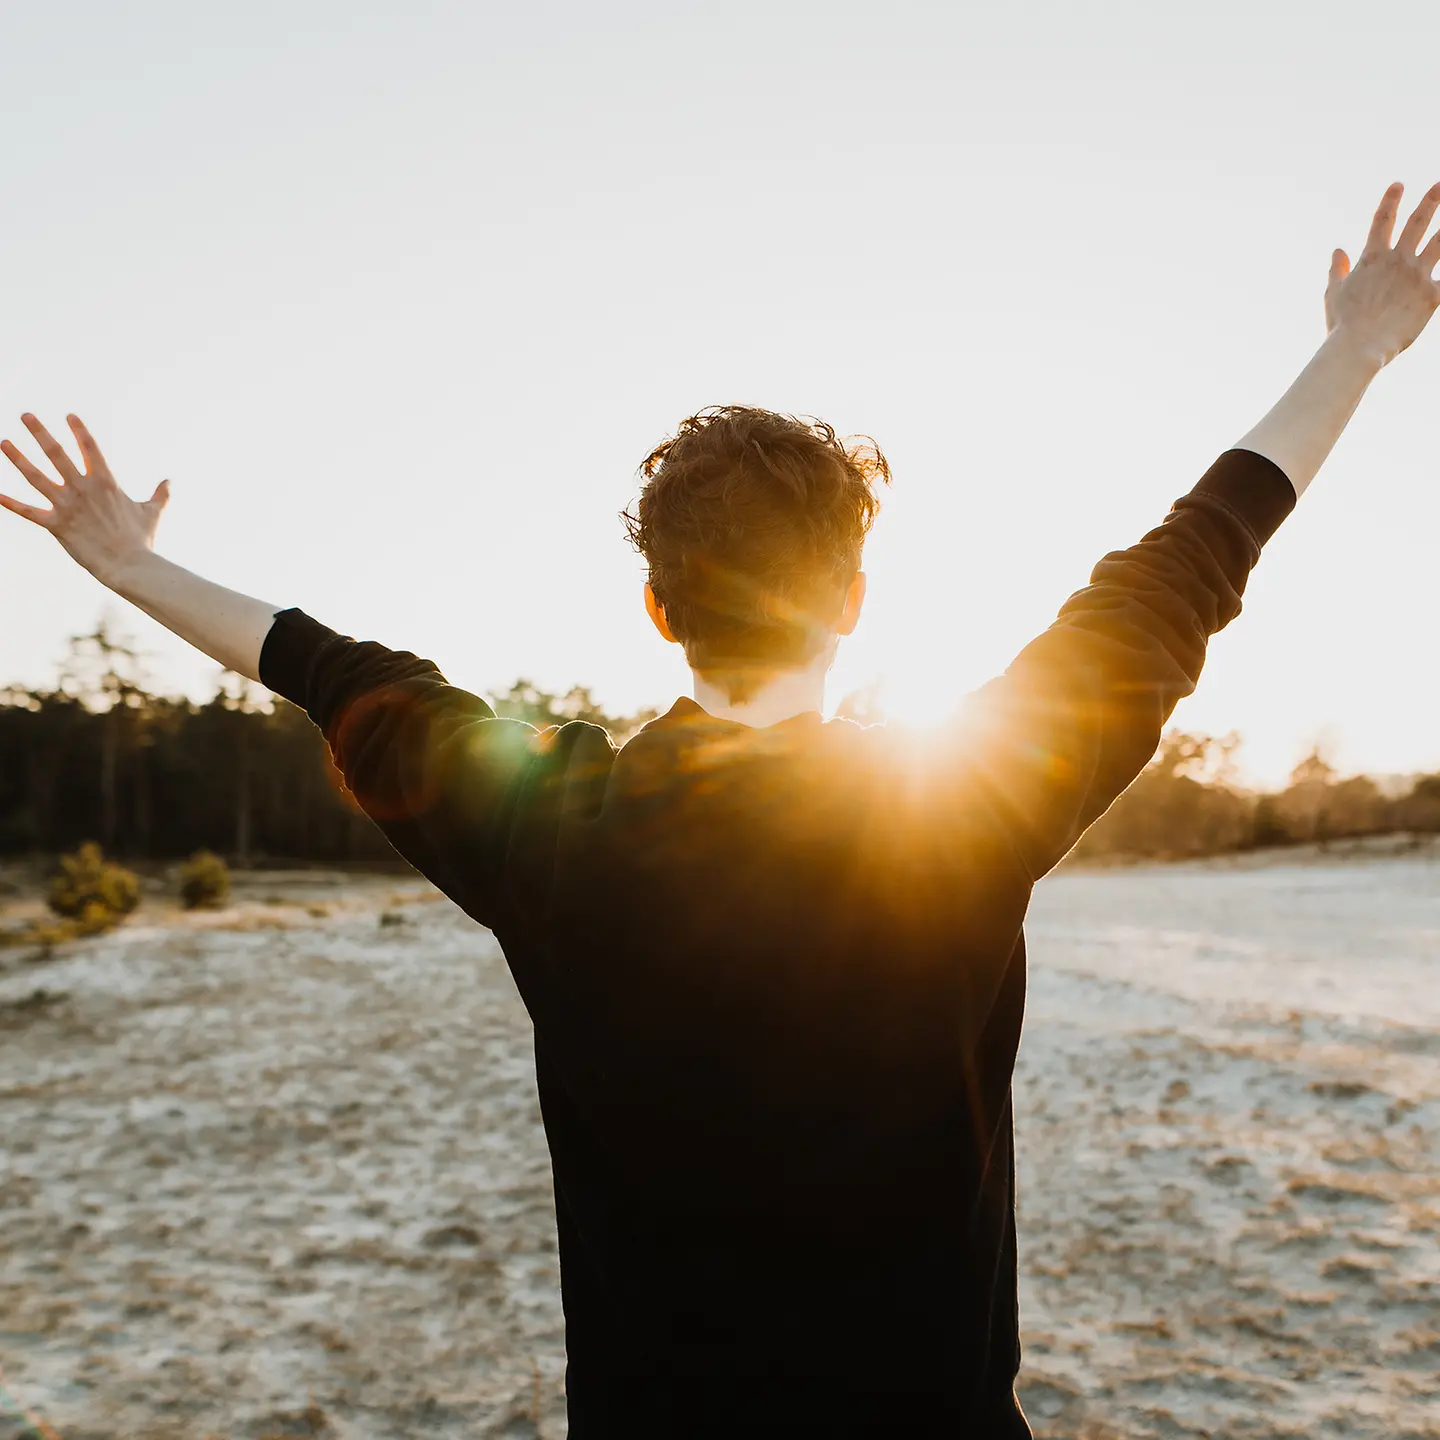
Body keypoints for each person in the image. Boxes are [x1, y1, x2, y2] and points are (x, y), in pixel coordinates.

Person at [3, 183, 1438, 1437]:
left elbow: (330, 669)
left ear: (658, 606)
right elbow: (1186, 566)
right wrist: (1355, 349)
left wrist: (131, 569)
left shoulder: (550, 824)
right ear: (855, 601)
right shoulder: (962, 804)